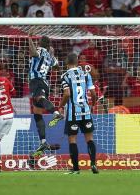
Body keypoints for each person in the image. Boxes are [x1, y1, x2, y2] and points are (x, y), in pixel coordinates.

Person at [58, 53, 98, 174]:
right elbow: (93, 93)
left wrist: (60, 106)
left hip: (72, 113)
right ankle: (93, 164)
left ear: (66, 63)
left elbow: (67, 94)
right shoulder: (86, 74)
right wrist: (93, 104)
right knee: (89, 138)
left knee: (72, 139)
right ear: (77, 62)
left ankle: (76, 168)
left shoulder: (65, 76)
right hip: (85, 111)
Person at [28, 32, 62, 165]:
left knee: (39, 98)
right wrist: (51, 53)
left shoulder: (40, 51)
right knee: (37, 113)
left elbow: (33, 53)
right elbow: (56, 65)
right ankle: (43, 142)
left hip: (37, 80)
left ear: (40, 44)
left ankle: (56, 113)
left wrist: (29, 39)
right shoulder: (49, 56)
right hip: (45, 83)